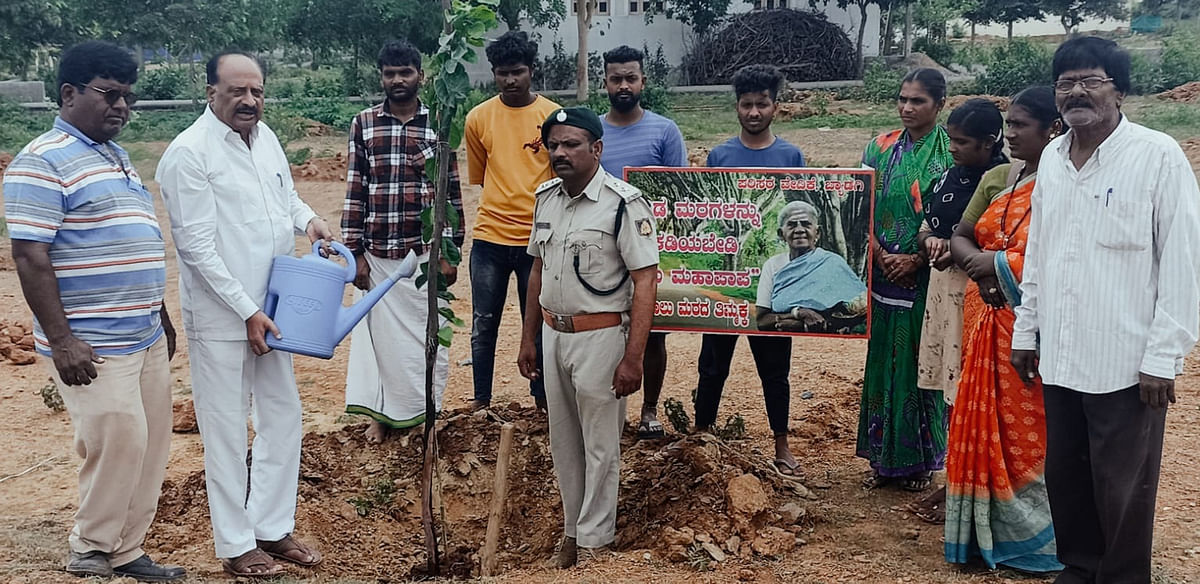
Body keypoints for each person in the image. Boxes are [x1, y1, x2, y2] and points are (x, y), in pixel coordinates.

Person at [1011, 37, 1200, 583]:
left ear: (1119, 88)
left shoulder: (1156, 154)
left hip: (1126, 362)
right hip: (1063, 354)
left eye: (1090, 80)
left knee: (1124, 489)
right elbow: (1041, 251)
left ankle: (1120, 577)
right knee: (1067, 477)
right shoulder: (1051, 156)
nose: (1076, 92)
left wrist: (1163, 357)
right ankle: (1079, 568)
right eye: (1065, 82)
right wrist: (1028, 329)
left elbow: (1183, 261)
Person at [3, 41, 185, 582]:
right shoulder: (40, 161)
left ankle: (128, 549)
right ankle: (90, 545)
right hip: (91, 340)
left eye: (128, 97)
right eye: (109, 94)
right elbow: (29, 256)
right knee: (115, 440)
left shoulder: (117, 156)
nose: (122, 107)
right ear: (69, 93)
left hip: (144, 331)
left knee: (149, 444)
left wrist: (162, 317)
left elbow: (138, 242)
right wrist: (61, 340)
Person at [156, 51, 332, 579]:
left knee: (282, 417)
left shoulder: (267, 137)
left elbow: (285, 197)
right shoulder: (189, 154)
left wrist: (311, 221)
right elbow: (196, 248)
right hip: (223, 317)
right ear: (211, 92)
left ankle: (272, 528)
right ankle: (236, 545)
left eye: (256, 91)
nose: (249, 101)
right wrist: (245, 310)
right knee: (227, 428)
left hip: (274, 308)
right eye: (237, 91)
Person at [517, 107, 659, 568]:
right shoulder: (546, 199)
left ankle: (595, 543)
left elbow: (645, 281)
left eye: (571, 144)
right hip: (554, 334)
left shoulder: (623, 203)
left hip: (600, 338)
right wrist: (528, 338)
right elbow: (536, 269)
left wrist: (633, 358)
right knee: (564, 443)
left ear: (596, 149)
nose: (560, 152)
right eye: (554, 145)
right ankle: (570, 532)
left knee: (601, 446)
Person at [941, 86, 1066, 572]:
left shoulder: (1064, 182)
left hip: (1032, 326)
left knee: (1028, 432)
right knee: (978, 422)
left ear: (1051, 129)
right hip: (986, 315)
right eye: (1008, 124)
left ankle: (1035, 541)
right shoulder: (1007, 177)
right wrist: (985, 268)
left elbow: (1050, 257)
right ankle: (980, 535)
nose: (1007, 134)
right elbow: (959, 234)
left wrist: (993, 266)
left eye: (1018, 126)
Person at [341, 40, 463, 444]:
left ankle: (428, 414)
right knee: (381, 342)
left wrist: (449, 250)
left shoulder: (440, 122)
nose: (397, 80)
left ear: (420, 75)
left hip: (425, 253)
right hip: (379, 253)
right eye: (390, 73)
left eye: (405, 72)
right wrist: (354, 251)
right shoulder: (364, 123)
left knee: (431, 339)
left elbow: (451, 191)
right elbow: (355, 188)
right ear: (382, 77)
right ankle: (383, 415)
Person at [693, 64, 805, 479]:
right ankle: (701, 435)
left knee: (775, 369)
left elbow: (799, 212)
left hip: (775, 287)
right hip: (727, 282)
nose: (754, 112)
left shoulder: (791, 157)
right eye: (746, 105)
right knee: (712, 364)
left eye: (762, 104)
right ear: (736, 107)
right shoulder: (719, 156)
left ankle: (781, 443)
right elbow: (710, 214)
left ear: (776, 106)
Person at [905, 98, 1008, 521]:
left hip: (980, 297)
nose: (953, 149)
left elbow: (1000, 243)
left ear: (989, 143)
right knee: (953, 390)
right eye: (951, 140)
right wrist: (929, 239)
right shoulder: (951, 176)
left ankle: (969, 488)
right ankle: (955, 480)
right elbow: (929, 222)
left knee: (973, 391)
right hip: (943, 292)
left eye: (962, 142)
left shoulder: (1003, 183)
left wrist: (957, 251)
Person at [857, 68, 952, 493]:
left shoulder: (951, 153)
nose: (907, 107)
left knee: (921, 365)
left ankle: (920, 460)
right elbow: (860, 203)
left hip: (927, 278)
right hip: (881, 273)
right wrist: (878, 251)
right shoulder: (878, 148)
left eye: (918, 101)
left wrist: (915, 258)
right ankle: (883, 458)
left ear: (939, 105)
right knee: (883, 365)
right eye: (902, 99)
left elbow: (956, 216)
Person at [465, 31, 561, 412]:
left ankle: (541, 401)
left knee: (534, 321)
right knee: (483, 323)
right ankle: (481, 399)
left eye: (517, 72)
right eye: (502, 73)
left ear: (531, 70)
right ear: (493, 73)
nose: (510, 80)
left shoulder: (552, 118)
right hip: (489, 237)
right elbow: (481, 175)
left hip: (537, 241)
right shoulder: (479, 118)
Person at [596, 44, 688, 440]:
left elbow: (680, 194)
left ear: (643, 81)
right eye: (615, 78)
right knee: (604, 332)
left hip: (648, 250)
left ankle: (650, 410)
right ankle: (607, 411)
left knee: (651, 333)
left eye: (630, 77)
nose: (623, 85)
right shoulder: (591, 132)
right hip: (600, 252)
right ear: (605, 82)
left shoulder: (665, 131)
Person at [756, 200, 867, 334]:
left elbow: (860, 310)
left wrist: (800, 325)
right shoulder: (773, 265)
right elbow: (762, 321)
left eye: (806, 224)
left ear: (817, 232)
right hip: (783, 340)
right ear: (781, 234)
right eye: (791, 225)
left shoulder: (833, 263)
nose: (799, 230)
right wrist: (799, 313)